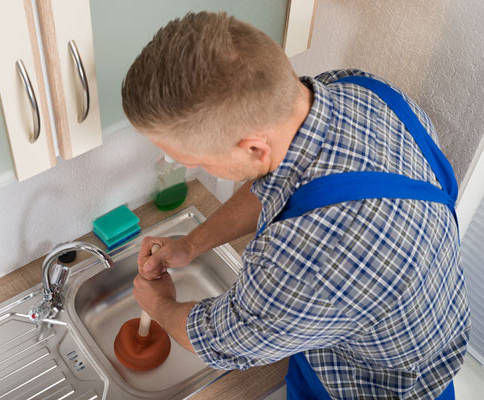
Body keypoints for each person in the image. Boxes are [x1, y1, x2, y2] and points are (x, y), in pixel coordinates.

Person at [122, 11, 471, 400]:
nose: (193, 168)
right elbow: (282, 182)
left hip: (369, 386)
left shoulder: (309, 255)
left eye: (196, 160)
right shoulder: (356, 89)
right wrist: (190, 244)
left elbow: (222, 338)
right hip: (406, 326)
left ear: (254, 147)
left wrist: (161, 305)